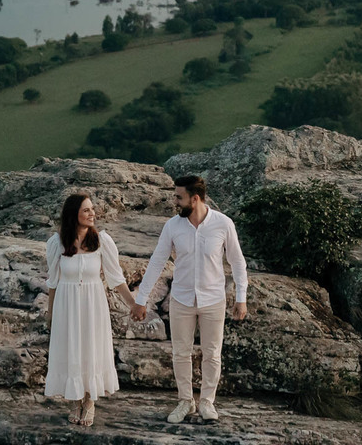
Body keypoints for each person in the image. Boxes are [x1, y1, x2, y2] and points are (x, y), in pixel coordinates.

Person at [129, 174, 248, 424]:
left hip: (213, 299)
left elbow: (237, 262)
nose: (175, 201)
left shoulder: (223, 224)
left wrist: (241, 298)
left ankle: (207, 402)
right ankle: (185, 401)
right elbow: (157, 262)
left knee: (212, 353)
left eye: (179, 197)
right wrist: (141, 299)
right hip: (181, 299)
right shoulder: (172, 226)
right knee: (180, 353)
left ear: (195, 199)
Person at [45, 193, 138, 426]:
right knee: (71, 350)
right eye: (86, 210)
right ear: (73, 214)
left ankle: (89, 400)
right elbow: (53, 282)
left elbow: (116, 279)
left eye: (92, 209)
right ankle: (75, 399)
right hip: (67, 305)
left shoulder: (102, 241)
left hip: (93, 304)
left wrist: (134, 304)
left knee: (91, 349)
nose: (92, 214)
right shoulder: (57, 243)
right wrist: (51, 312)